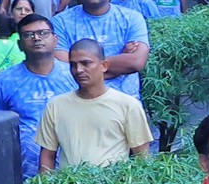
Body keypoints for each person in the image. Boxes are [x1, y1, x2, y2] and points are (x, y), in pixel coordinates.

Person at [42, 39, 154, 169]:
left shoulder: (128, 105)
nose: (79, 70)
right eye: (73, 65)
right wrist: (45, 180)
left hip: (113, 181)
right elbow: (47, 156)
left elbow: (142, 157)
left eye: (86, 63)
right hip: (68, 181)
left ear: (104, 66)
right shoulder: (55, 106)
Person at [0, 16, 70, 178]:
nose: (37, 38)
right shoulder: (4, 80)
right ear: (20, 44)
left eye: (43, 33)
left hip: (71, 169)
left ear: (55, 40)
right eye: (28, 35)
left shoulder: (72, 75)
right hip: (23, 172)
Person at [51, 0, 150, 83]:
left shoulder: (132, 18)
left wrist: (82, 67)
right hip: (78, 95)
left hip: (124, 94)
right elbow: (64, 68)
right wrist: (120, 59)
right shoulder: (60, 22)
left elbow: (136, 62)